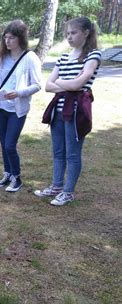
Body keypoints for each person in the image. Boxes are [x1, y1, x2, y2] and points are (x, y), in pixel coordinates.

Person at [34, 16, 101, 206]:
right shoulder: (63, 57)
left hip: (77, 111)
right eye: (67, 34)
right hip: (58, 111)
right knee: (58, 152)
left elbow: (81, 82)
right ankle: (56, 186)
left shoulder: (93, 55)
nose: (69, 37)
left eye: (73, 33)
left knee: (72, 154)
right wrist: (69, 85)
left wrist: (63, 83)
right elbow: (48, 85)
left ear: (86, 33)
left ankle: (68, 192)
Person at [0, 20, 41, 192]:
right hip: (0, 107)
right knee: (4, 143)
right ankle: (8, 173)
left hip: (17, 109)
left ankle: (17, 177)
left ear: (21, 38)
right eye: (5, 38)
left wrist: (18, 93)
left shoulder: (30, 58)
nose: (7, 41)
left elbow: (37, 85)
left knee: (10, 144)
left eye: (11, 38)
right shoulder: (1, 58)